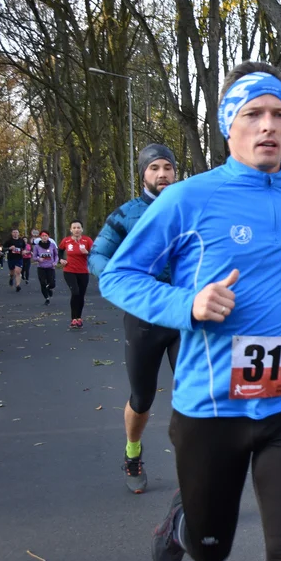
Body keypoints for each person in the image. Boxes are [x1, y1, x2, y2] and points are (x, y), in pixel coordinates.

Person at [100, 61, 281, 561]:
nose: (269, 126)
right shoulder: (187, 199)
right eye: (253, 115)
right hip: (211, 409)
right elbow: (119, 276)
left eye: (279, 114)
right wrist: (188, 303)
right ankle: (189, 515)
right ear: (227, 126)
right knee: (209, 553)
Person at [90, 143, 181, 494]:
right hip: (144, 319)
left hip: (185, 316)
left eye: (167, 167)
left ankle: (198, 465)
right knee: (142, 398)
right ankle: (132, 452)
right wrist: (130, 286)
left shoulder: (189, 208)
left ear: (175, 172)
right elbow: (98, 257)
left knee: (195, 393)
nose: (162, 174)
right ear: (143, 173)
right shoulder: (126, 214)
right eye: (154, 167)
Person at [59, 221, 94, 328]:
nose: (76, 230)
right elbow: (59, 251)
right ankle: (73, 318)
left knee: (81, 295)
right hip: (69, 270)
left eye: (78, 227)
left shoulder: (87, 240)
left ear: (82, 229)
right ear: (71, 230)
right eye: (74, 228)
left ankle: (79, 317)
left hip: (83, 271)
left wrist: (87, 253)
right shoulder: (66, 241)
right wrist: (61, 259)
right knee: (75, 291)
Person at [33, 232, 59, 304]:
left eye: (46, 236)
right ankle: (47, 298)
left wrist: (55, 262)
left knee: (52, 283)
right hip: (41, 267)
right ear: (40, 237)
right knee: (43, 283)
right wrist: (38, 259)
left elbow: (56, 255)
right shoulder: (37, 246)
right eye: (43, 236)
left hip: (50, 267)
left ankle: (49, 288)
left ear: (48, 237)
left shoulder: (52, 245)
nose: (44, 237)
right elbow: (34, 257)